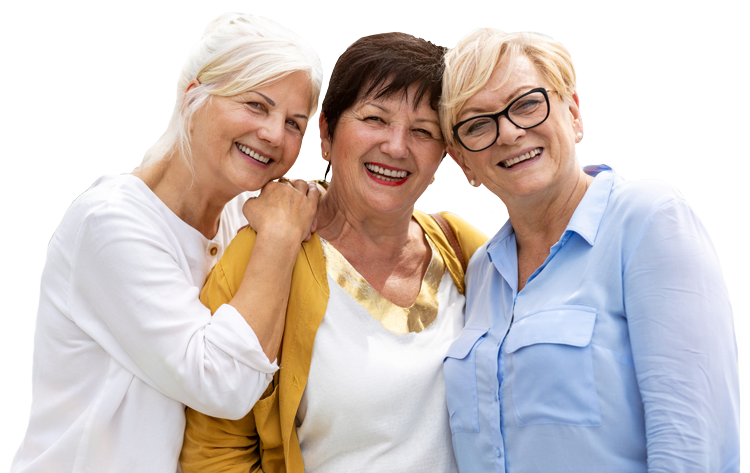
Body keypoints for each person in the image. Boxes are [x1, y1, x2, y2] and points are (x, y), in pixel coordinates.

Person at [10, 12, 323, 473]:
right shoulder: (111, 224)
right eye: (256, 105)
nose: (275, 134)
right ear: (194, 94)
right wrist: (279, 236)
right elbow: (225, 385)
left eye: (295, 123)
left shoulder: (240, 218)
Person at [179, 32, 487, 473]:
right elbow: (214, 452)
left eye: (422, 131)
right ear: (326, 132)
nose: (396, 147)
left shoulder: (461, 247)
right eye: (375, 119)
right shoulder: (266, 250)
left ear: (443, 156)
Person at [439, 27, 740, 472]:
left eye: (526, 104)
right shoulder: (481, 271)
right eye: (478, 124)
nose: (508, 132)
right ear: (465, 162)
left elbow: (694, 447)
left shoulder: (647, 220)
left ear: (574, 114)